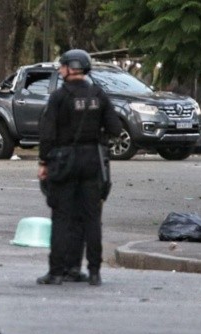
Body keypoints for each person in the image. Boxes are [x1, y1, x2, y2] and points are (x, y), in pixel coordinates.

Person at [36, 49, 121, 286]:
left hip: (64, 162)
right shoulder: (98, 95)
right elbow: (115, 128)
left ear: (69, 67)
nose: (60, 69)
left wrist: (44, 162)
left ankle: (56, 272)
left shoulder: (59, 97)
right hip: (92, 161)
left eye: (62, 65)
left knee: (62, 218)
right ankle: (92, 271)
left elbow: (47, 133)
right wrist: (97, 137)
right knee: (91, 218)